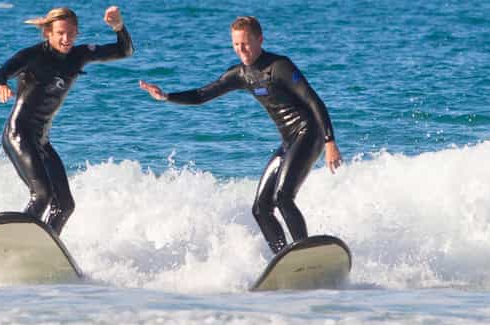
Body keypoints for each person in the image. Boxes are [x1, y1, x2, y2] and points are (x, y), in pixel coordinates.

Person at [139, 16, 343, 254]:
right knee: (260, 208)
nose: (241, 50)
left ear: (260, 40)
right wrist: (167, 96)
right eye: (236, 45)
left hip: (310, 133)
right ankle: (283, 258)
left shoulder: (280, 66)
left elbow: (313, 100)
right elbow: (202, 95)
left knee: (283, 197)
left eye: (245, 43)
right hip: (289, 140)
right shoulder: (240, 74)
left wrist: (330, 142)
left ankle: (305, 253)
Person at [0, 6, 133, 235]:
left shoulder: (79, 56)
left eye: (71, 33)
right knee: (42, 195)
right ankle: (19, 241)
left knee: (65, 205)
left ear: (77, 33)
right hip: (19, 134)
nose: (66, 39)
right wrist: (1, 85)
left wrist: (118, 27)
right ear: (48, 32)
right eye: (60, 33)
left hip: (41, 141)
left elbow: (124, 51)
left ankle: (45, 248)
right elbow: (2, 71)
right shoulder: (33, 55)